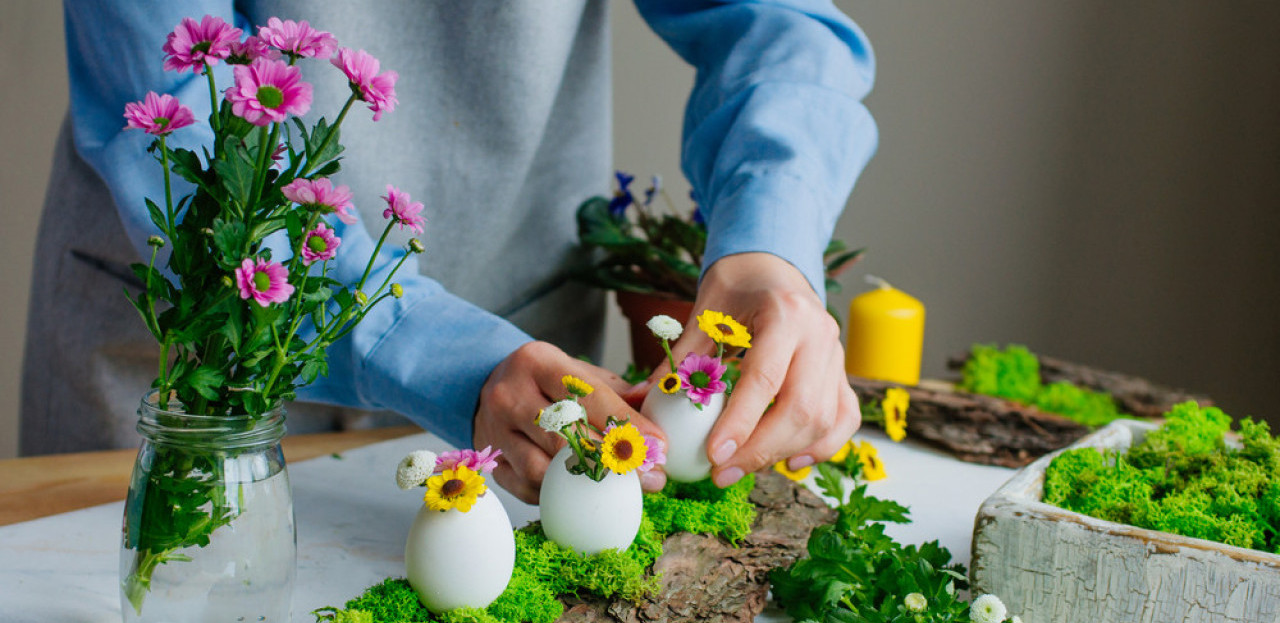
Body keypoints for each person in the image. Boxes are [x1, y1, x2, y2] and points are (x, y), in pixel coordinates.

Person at [22, 0, 877, 503]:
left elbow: (775, 21)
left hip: (534, 376)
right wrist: (436, 352)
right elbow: (173, 94)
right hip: (192, 373)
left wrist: (773, 245)